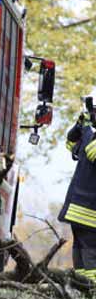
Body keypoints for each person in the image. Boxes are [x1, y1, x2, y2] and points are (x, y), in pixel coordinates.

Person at [58, 107, 96, 282]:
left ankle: (91, 290)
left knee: (90, 256)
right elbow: (71, 146)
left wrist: (89, 127)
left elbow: (91, 152)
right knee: (80, 252)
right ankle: (82, 288)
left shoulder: (92, 136)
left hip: (90, 212)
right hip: (79, 210)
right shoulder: (91, 134)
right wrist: (79, 124)